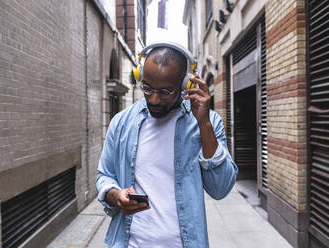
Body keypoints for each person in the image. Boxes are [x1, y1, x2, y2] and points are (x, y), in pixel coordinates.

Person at [96, 42, 238, 248]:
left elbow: (221, 188)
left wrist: (204, 123)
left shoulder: (208, 122)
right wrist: (116, 196)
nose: (154, 99)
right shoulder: (121, 122)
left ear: (185, 85)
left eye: (165, 91)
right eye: (147, 87)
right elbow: (104, 176)